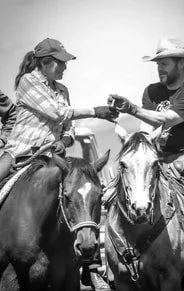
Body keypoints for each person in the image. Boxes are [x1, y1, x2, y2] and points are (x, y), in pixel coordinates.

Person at [107, 37, 184, 284]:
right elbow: (147, 126)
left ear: (182, 63)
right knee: (111, 193)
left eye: (165, 63)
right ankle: (107, 262)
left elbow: (167, 119)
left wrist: (130, 108)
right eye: (158, 63)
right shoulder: (152, 91)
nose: (160, 68)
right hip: (158, 155)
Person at [0, 37, 115, 290]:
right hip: (21, 154)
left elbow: (68, 127)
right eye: (60, 63)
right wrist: (97, 111)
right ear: (45, 62)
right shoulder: (28, 82)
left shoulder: (63, 90)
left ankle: (91, 265)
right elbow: (57, 113)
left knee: (81, 195)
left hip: (52, 157)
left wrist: (64, 139)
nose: (64, 68)